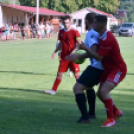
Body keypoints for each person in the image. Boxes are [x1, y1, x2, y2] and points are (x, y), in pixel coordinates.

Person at [67, 15, 127, 127]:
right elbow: (96, 53)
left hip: (117, 69)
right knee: (100, 93)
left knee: (102, 91)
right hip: (108, 69)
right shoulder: (102, 36)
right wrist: (79, 54)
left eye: (94, 23)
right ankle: (116, 112)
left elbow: (98, 57)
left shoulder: (107, 38)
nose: (92, 25)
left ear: (99, 25)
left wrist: (85, 49)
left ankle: (110, 119)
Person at [65, 13, 104, 123]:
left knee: (77, 88)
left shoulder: (91, 33)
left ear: (87, 21)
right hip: (100, 66)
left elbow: (93, 51)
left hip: (97, 67)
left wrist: (79, 54)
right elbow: (90, 51)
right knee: (88, 87)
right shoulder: (97, 32)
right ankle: (91, 114)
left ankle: (85, 117)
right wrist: (77, 56)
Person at [43, 15, 82, 95]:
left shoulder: (75, 32)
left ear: (70, 23)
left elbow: (79, 43)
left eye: (67, 23)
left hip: (73, 57)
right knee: (59, 73)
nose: (66, 24)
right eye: (65, 23)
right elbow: (61, 43)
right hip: (64, 57)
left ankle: (82, 90)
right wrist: (55, 52)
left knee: (76, 74)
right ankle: (53, 91)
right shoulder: (61, 32)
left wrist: (73, 51)